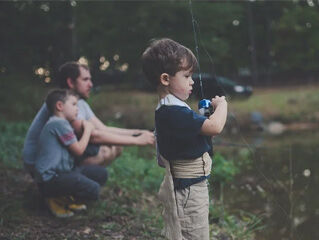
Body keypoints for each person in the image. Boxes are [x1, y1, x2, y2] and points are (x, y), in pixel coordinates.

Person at [141, 38, 228, 239]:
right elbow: (214, 127)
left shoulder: (172, 107)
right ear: (165, 79)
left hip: (190, 186)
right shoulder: (173, 111)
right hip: (188, 191)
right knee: (194, 235)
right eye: (187, 76)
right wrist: (222, 105)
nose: (192, 81)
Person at [23, 61, 155, 177]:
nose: (91, 84)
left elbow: (103, 129)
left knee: (115, 147)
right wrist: (137, 141)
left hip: (58, 157)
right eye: (85, 80)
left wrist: (138, 132)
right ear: (70, 82)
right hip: (38, 163)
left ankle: (78, 184)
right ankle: (67, 189)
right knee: (104, 150)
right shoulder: (63, 104)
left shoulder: (79, 103)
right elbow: (93, 136)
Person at [35, 89, 108, 218]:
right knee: (93, 189)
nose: (77, 109)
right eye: (74, 104)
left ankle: (64, 197)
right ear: (59, 106)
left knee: (101, 173)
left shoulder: (62, 123)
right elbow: (79, 150)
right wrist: (88, 130)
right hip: (50, 180)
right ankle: (55, 198)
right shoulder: (58, 124)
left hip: (64, 173)